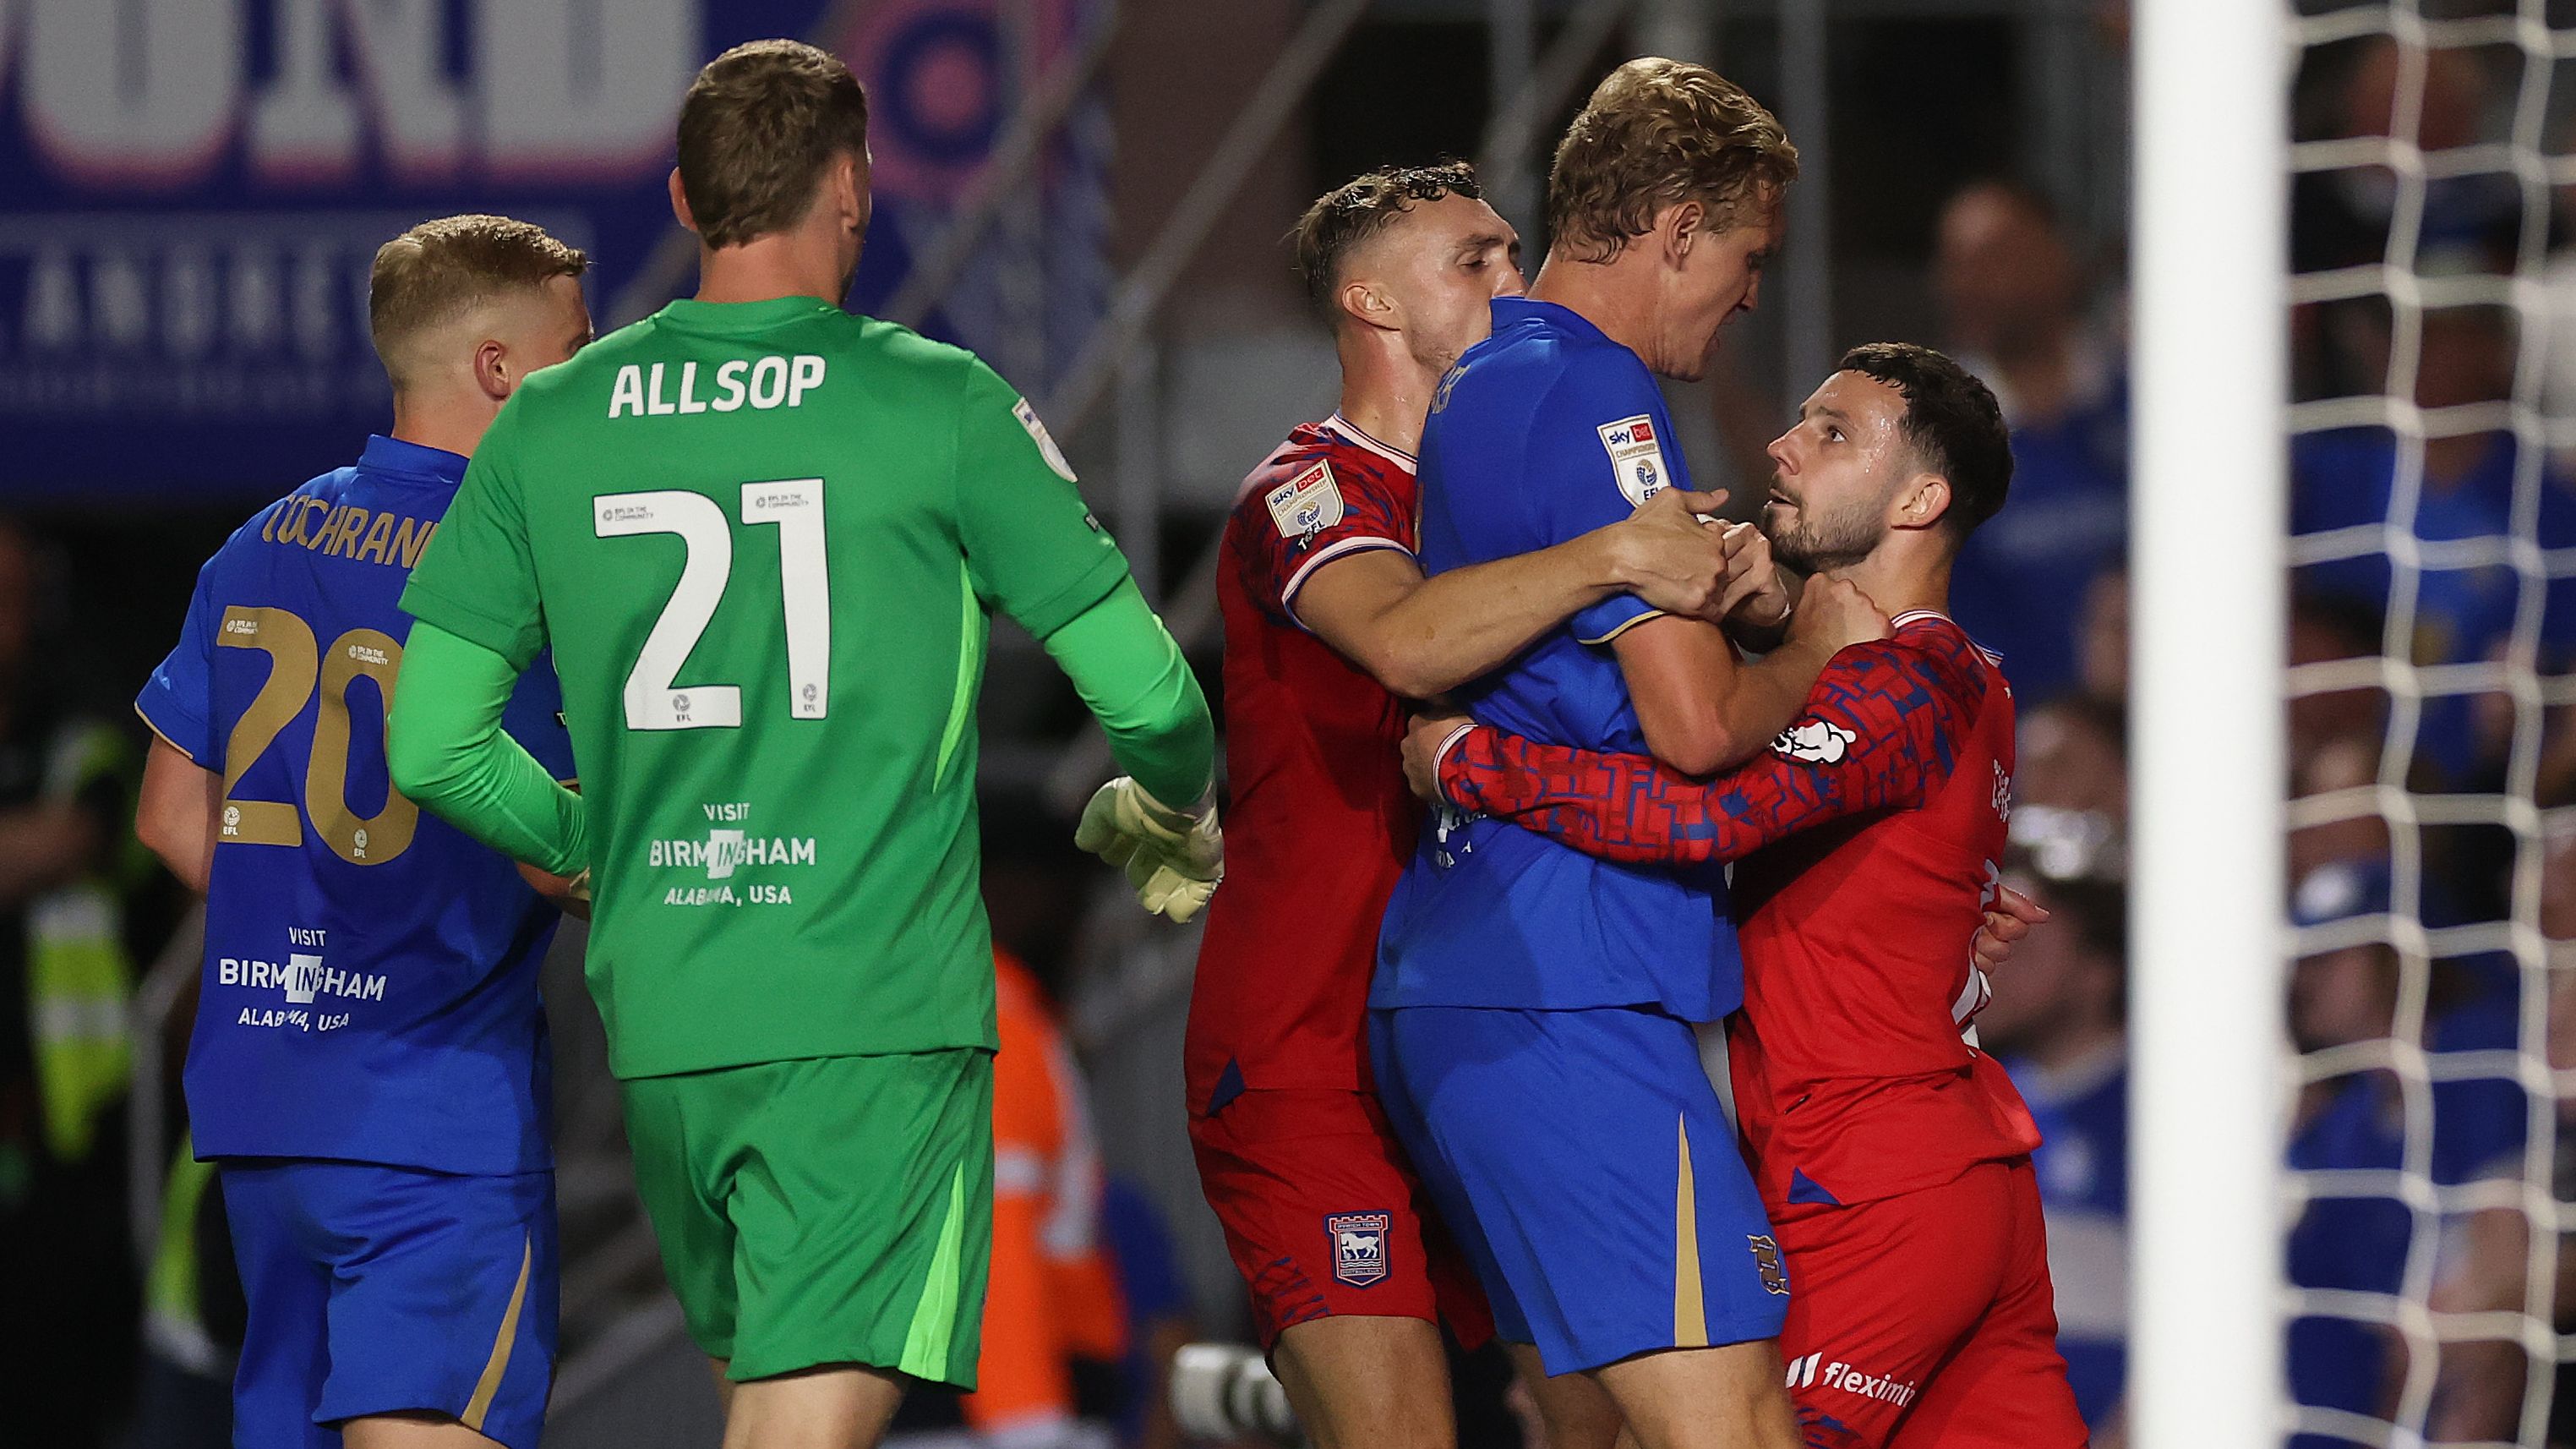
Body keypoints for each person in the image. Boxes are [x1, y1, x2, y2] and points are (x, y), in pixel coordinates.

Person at [383, 40, 1216, 1449]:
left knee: (769, 1396)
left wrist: (591, 843)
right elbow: (1148, 693)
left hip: (670, 1007)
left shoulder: (548, 422)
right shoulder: (936, 401)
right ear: (853, 189)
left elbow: (429, 739)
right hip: (867, 1002)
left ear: (682, 195)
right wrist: (1173, 802)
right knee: (806, 1415)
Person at [1185, 159, 1782, 1449]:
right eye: (1476, 260)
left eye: (1513, 251)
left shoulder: (1499, 471)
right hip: (1309, 1048)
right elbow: (1403, 642)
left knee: (1604, 1423)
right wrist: (1623, 551)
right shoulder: (1310, 491)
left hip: (1468, 1019)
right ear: (1371, 303)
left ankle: (1243, 1410)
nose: (1514, 282)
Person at [1408, 344, 2088, 1448]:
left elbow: (1702, 819)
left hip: (1872, 1182)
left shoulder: (1905, 682)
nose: (1782, 442)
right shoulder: (1961, 672)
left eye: (1832, 431)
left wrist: (1471, 762)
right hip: (1952, 1174)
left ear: (1922, 499)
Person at [1366, 58, 1880, 1449]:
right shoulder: (1602, 396)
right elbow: (1699, 723)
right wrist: (1822, 641)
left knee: (1582, 1431)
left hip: (1466, 987)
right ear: (1671, 232)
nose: (1752, 291)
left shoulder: (1486, 376)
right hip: (1568, 999)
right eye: (1745, 253)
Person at [128, 214, 593, 1449]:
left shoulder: (256, 541)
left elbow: (170, 815)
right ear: (499, 368)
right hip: (431, 1118)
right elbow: (557, 850)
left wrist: (316, 915)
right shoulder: (523, 565)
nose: (595, 379)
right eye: (576, 346)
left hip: (265, 1113)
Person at [1978, 872, 2129, 1433]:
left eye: (2029, 944)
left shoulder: (2169, 1117)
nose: (1994, 958)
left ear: (2099, 973)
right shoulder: (1969, 1093)